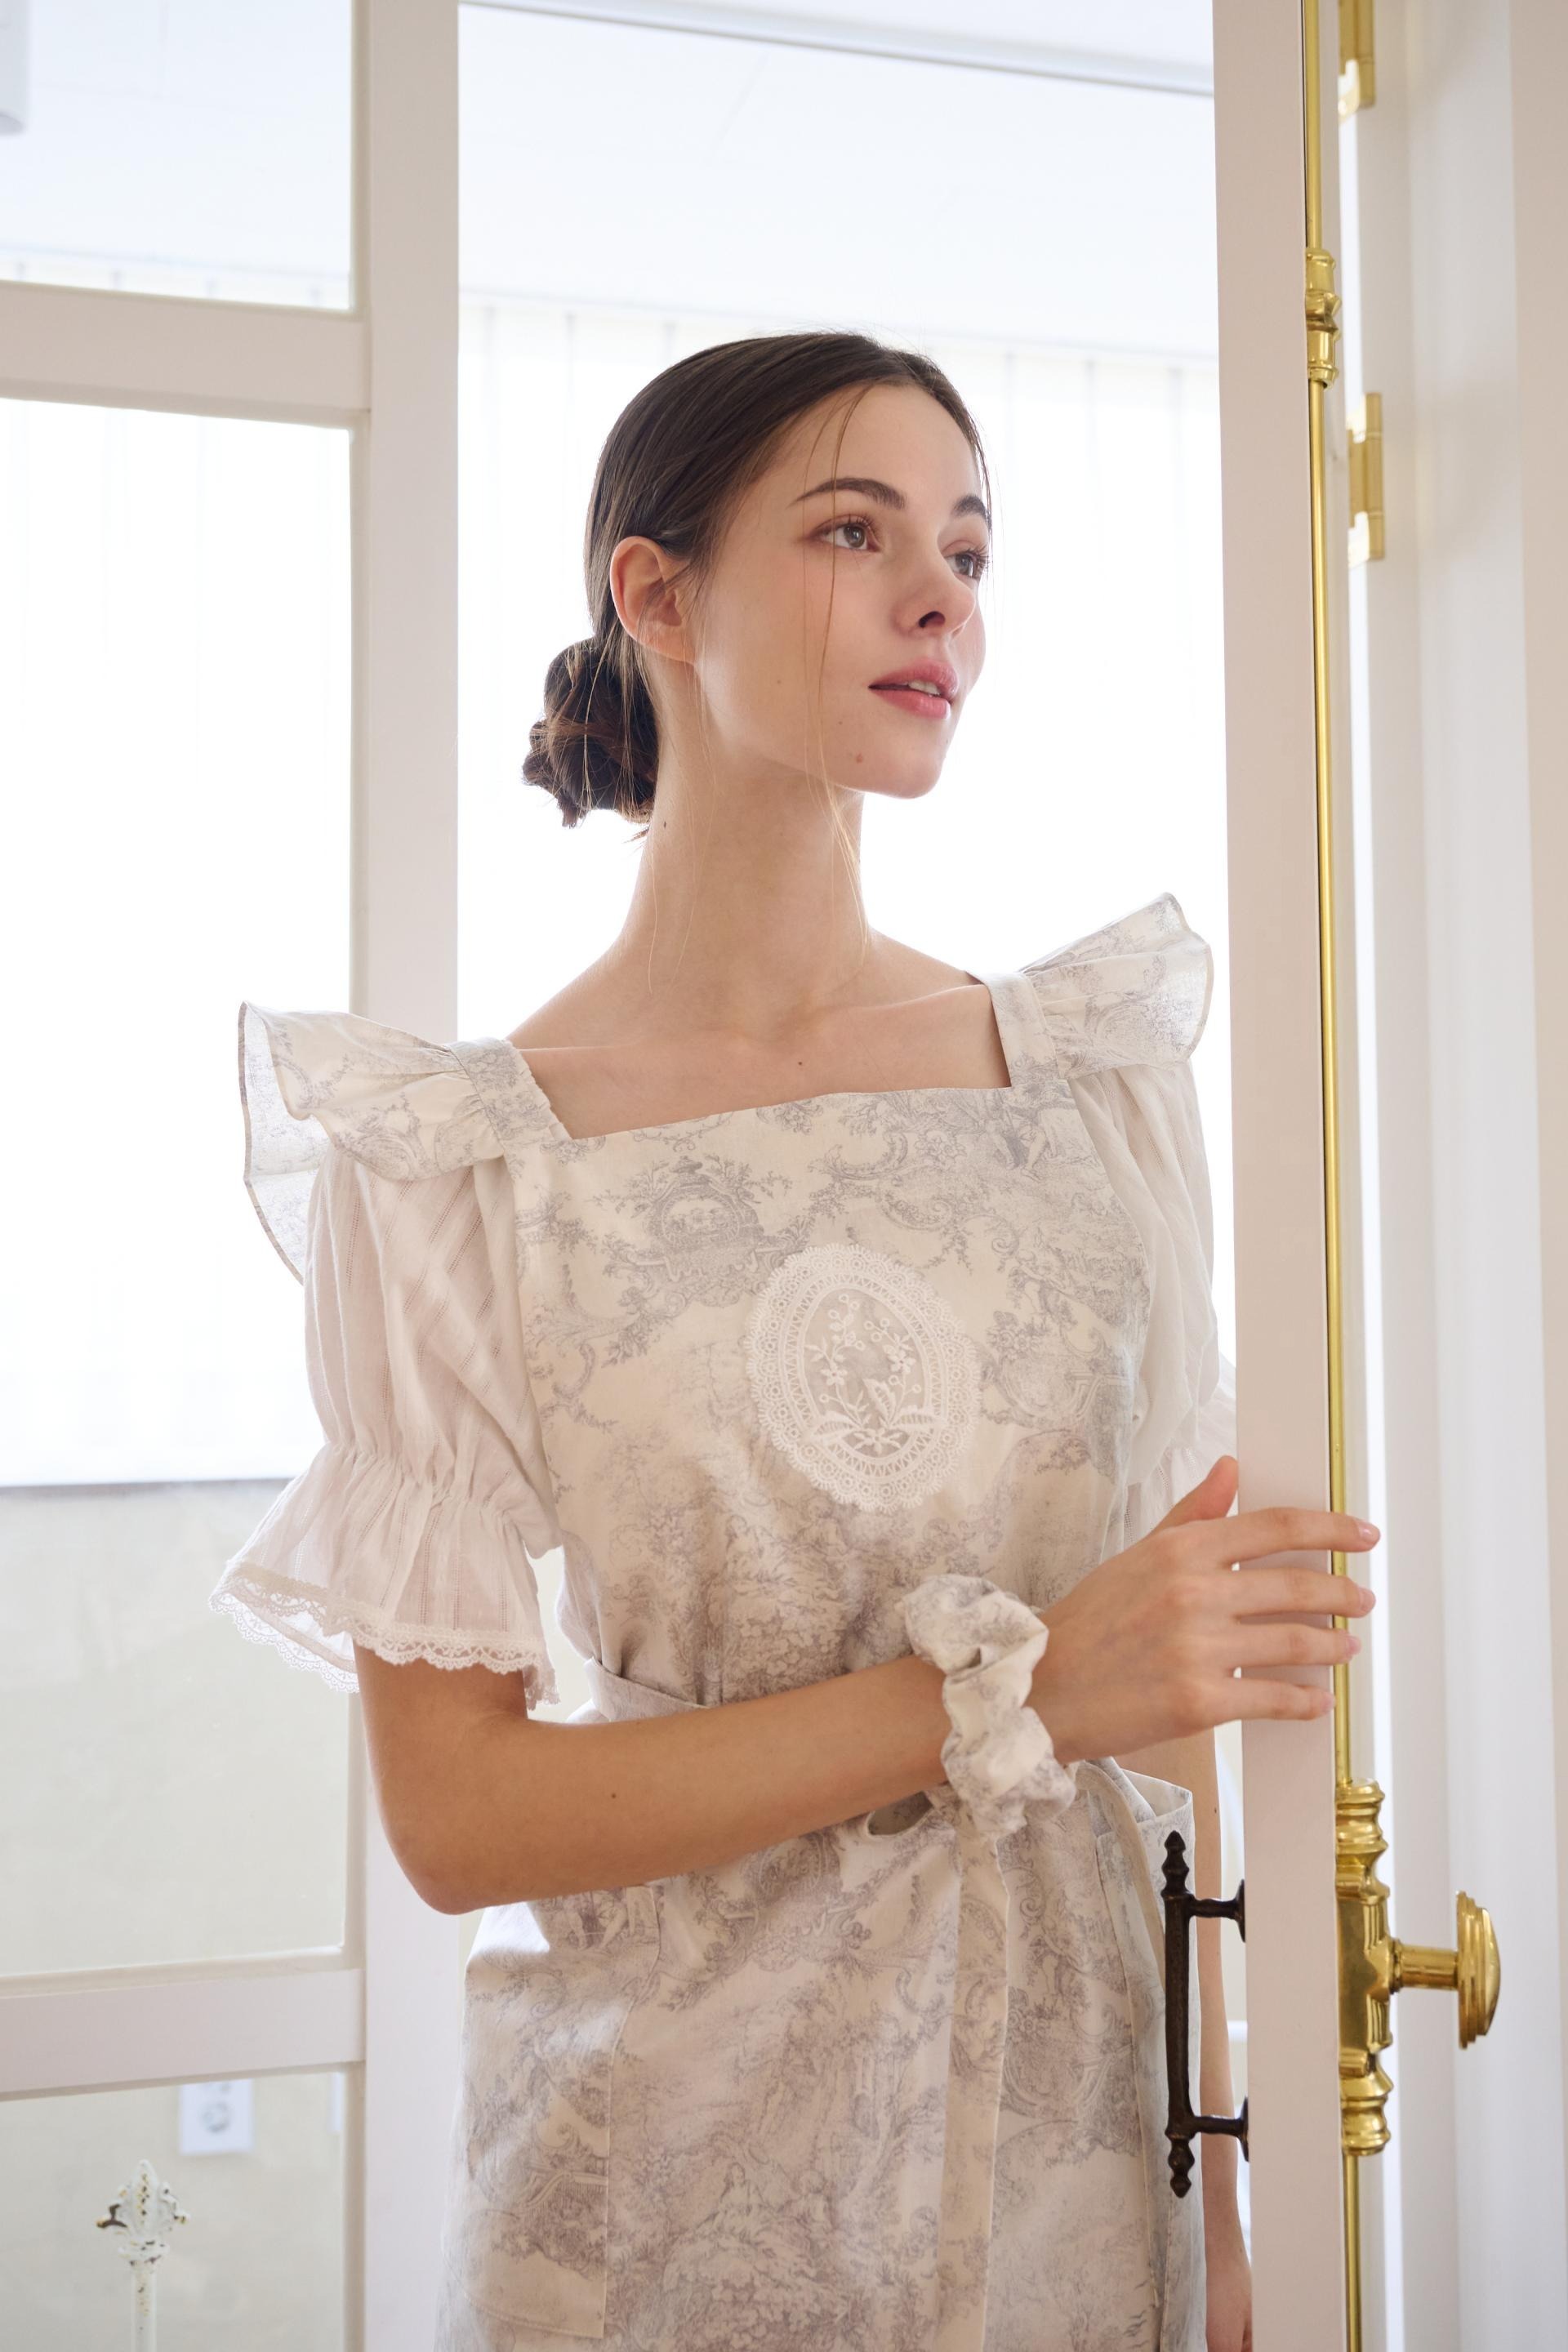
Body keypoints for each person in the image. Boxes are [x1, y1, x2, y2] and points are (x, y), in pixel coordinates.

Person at [212, 329, 1376, 2352]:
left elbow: (1168, 1722)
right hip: (658, 2198)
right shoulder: (459, 1171)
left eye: (969, 550)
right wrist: (1008, 1696)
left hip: (1080, 2184)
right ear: (655, 596)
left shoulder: (1092, 1092)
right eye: (856, 533)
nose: (942, 600)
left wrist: (1221, 2203)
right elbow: (461, 1819)